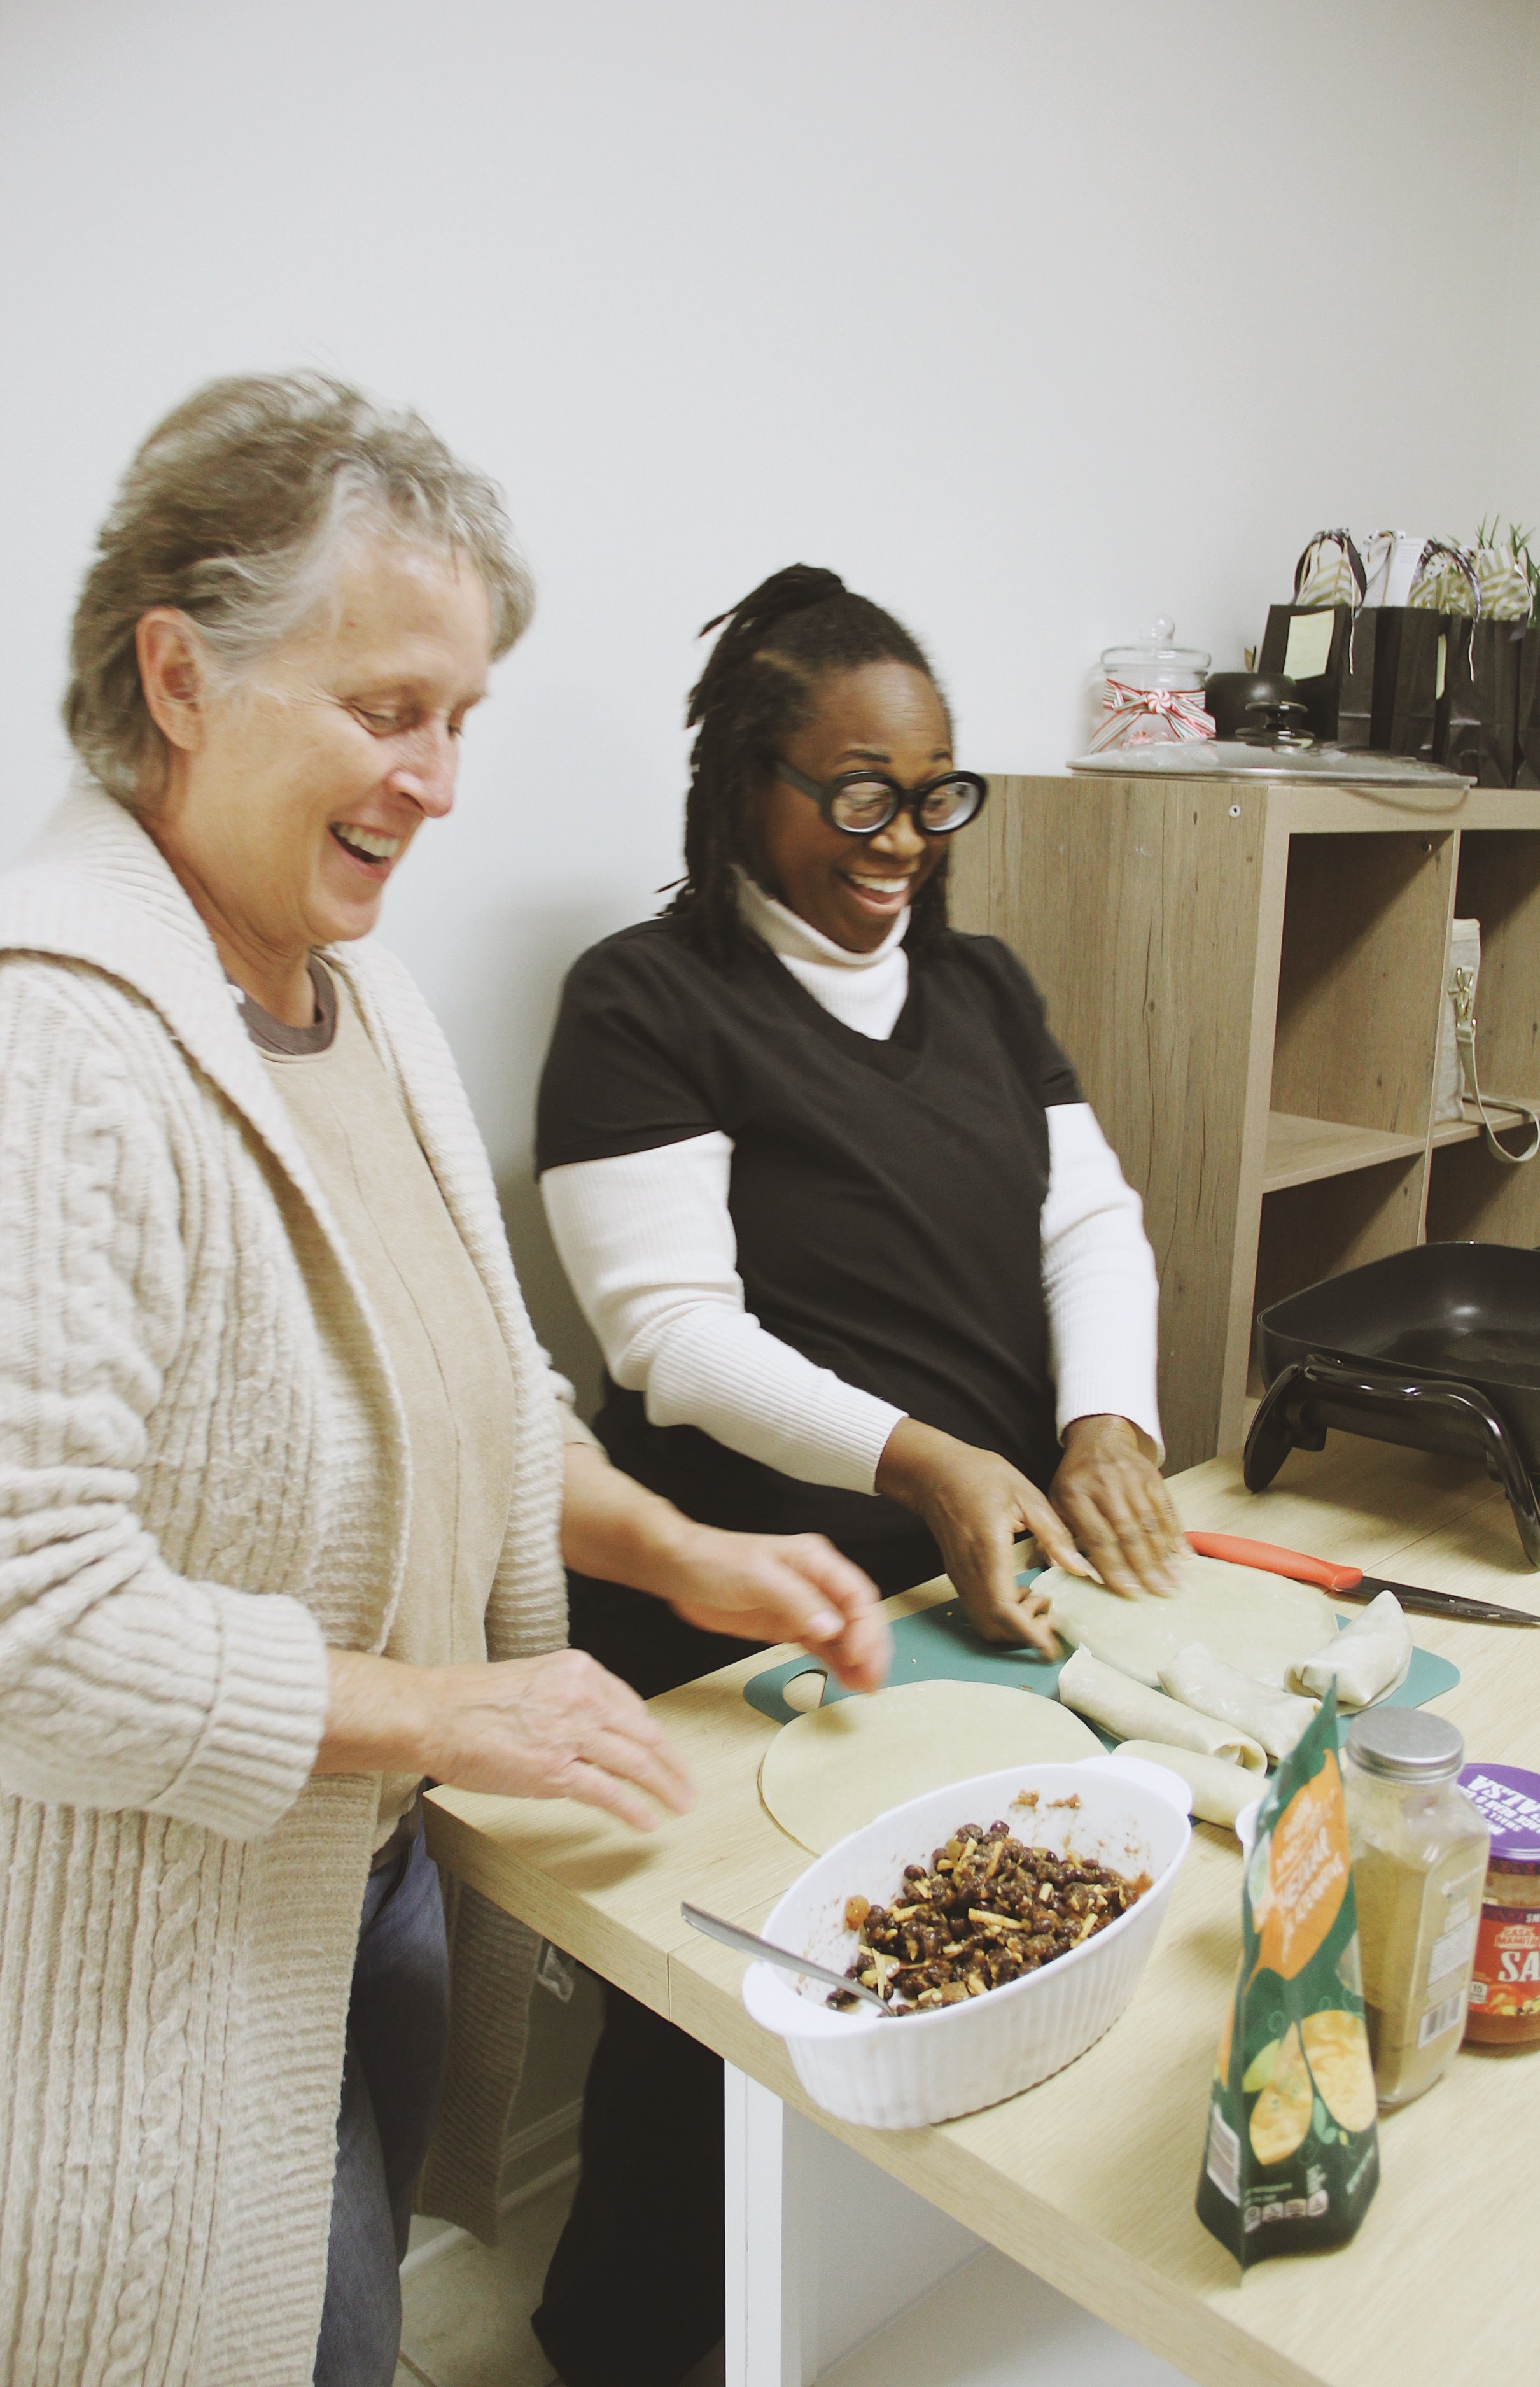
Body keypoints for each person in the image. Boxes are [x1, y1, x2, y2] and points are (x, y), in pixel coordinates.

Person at [0, 395, 886, 2387]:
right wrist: (438, 1709)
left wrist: (679, 1547)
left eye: (462, 718)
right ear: (180, 677)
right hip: (158, 1964)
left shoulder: (360, 993)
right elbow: (27, 1622)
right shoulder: (55, 1047)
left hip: (364, 1876)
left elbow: (468, 1398)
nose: (441, 782)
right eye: (390, 709)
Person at [531, 564, 1183, 2387]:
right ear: (747, 786)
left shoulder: (980, 989)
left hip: (971, 1591)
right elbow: (671, 1337)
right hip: (748, 1615)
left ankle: (876, 2327)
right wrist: (923, 1458)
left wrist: (1102, 1422)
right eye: (858, 794)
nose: (903, 840)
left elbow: (1090, 1225)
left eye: (934, 793)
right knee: (730, 2027)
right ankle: (627, 2350)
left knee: (958, 1973)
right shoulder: (644, 1002)